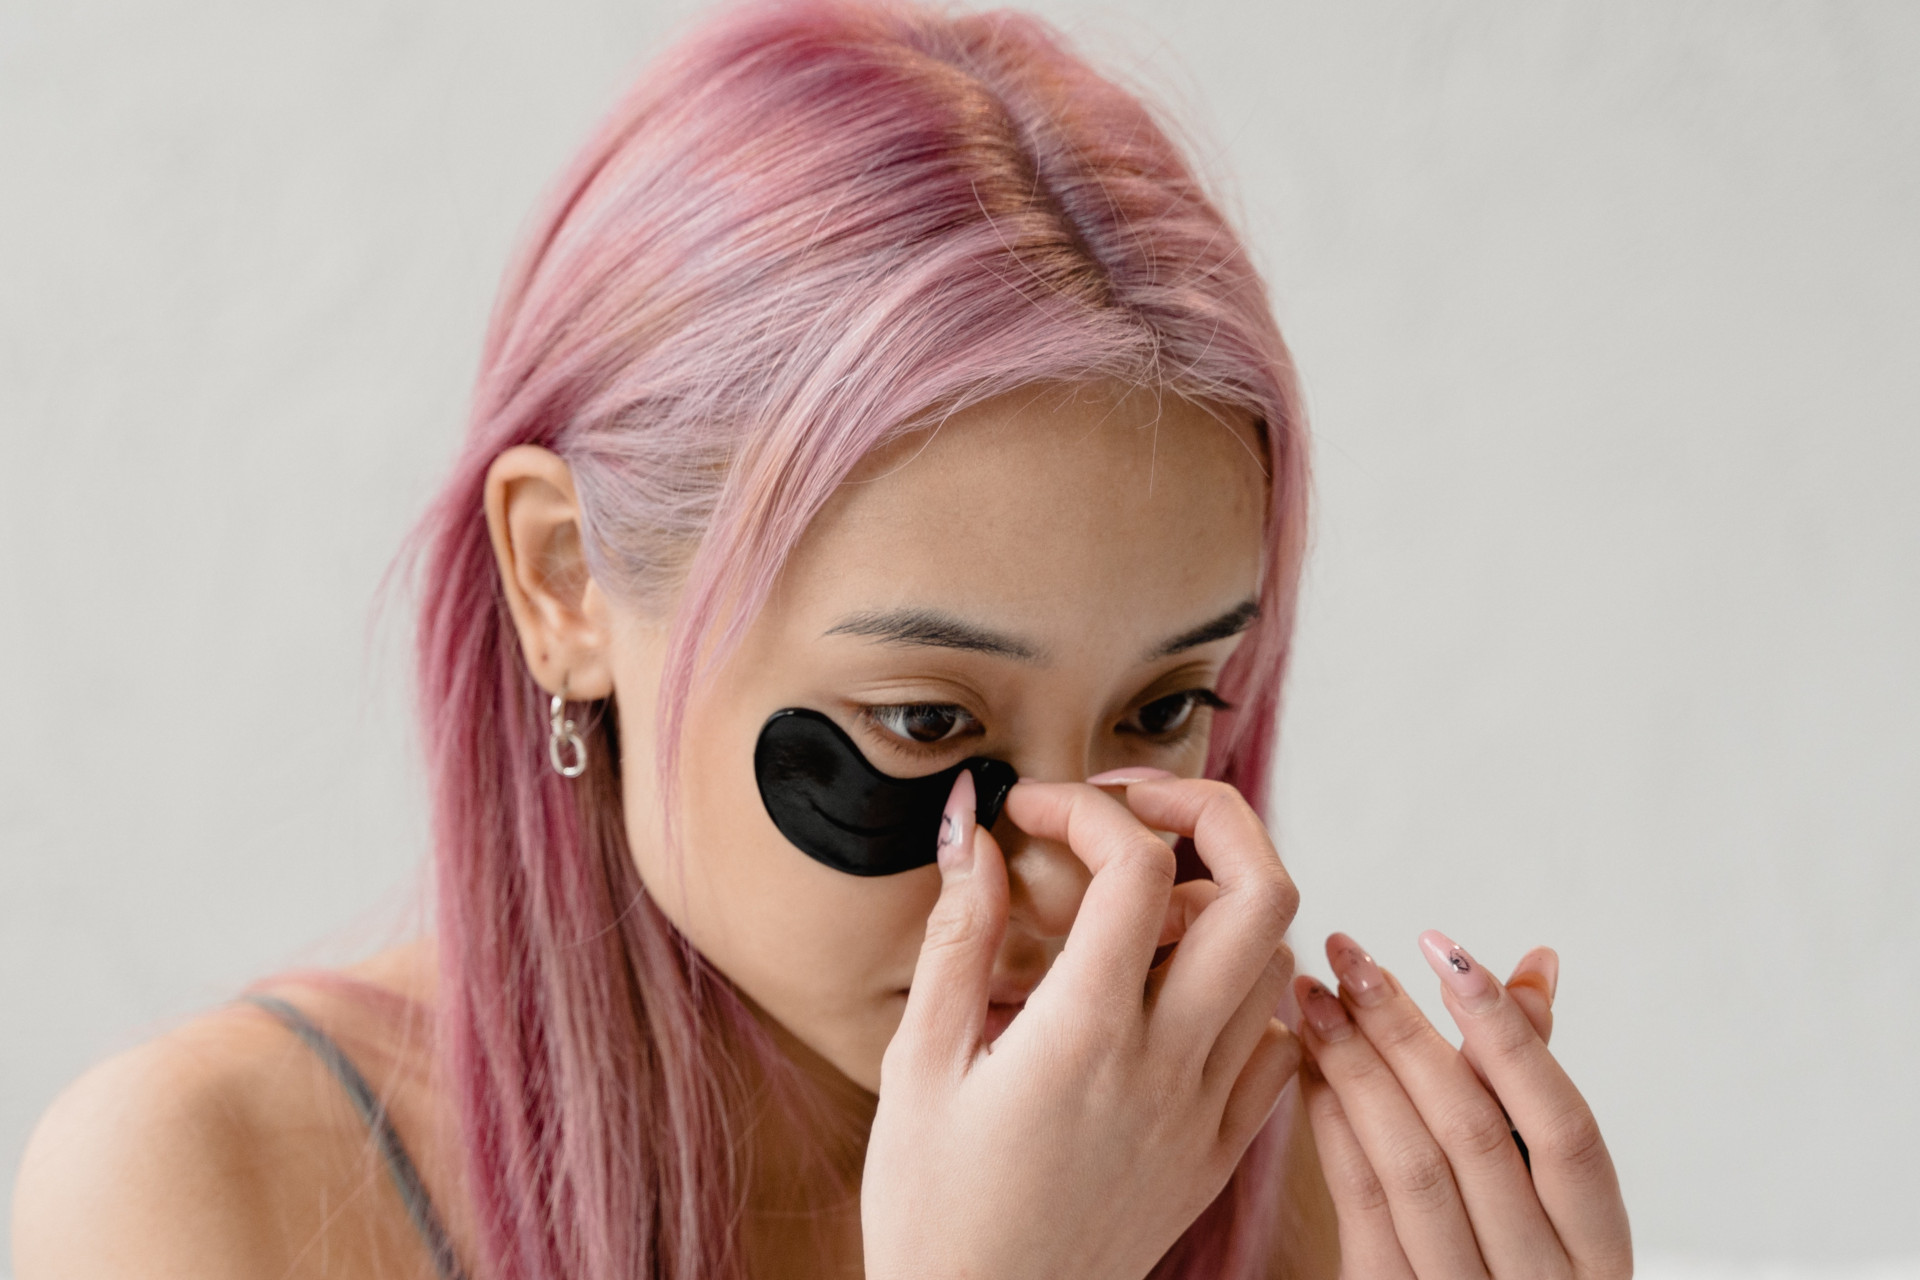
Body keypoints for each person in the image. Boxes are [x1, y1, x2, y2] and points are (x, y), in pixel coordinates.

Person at [11, 2, 1632, 1277]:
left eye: (1162, 712)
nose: (1077, 894)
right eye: (927, 723)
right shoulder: (207, 1197)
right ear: (568, 581)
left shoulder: (1287, 1199)